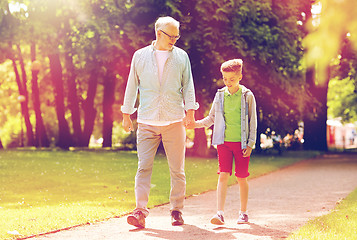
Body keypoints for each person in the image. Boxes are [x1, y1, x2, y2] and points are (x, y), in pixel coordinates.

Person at [121, 16, 199, 228]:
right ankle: (139, 211)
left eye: (177, 36)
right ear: (158, 33)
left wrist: (190, 112)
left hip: (174, 121)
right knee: (143, 167)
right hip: (146, 121)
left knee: (177, 170)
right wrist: (126, 114)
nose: (174, 39)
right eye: (171, 36)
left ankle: (176, 210)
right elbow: (131, 86)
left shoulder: (182, 57)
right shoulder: (140, 56)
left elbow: (188, 85)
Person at [193, 59, 257, 225]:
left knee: (241, 177)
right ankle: (219, 213)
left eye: (232, 79)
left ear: (240, 77)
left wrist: (250, 144)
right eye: (225, 79)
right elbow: (212, 117)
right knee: (223, 175)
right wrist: (196, 124)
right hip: (224, 143)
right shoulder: (220, 95)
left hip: (242, 144)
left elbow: (253, 122)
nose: (228, 82)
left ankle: (243, 213)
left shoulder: (247, 96)